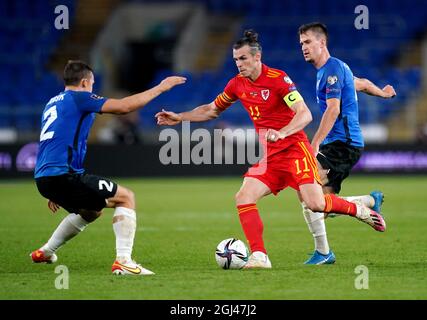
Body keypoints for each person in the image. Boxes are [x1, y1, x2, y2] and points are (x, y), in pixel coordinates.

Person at [156, 30, 386, 268]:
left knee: (316, 204)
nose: (239, 64)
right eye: (236, 59)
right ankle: (259, 256)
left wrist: (284, 132)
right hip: (272, 158)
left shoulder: (278, 79)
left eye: (243, 58)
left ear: (257, 57)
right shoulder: (236, 85)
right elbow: (211, 110)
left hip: (296, 150)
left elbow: (304, 113)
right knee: (243, 196)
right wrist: (179, 117)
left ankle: (360, 210)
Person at [31, 60, 186, 275]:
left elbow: (54, 141)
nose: (93, 88)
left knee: (92, 211)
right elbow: (124, 107)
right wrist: (162, 87)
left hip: (46, 176)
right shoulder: (80, 98)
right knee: (126, 197)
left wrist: (54, 184)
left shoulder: (52, 103)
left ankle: (46, 251)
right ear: (85, 82)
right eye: (93, 83)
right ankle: (124, 261)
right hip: (62, 175)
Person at [298, 22, 397, 219]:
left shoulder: (332, 69)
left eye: (308, 42)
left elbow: (333, 109)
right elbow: (362, 84)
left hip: (343, 143)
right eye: (301, 44)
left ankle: (324, 251)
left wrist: (315, 142)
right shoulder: (331, 70)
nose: (304, 47)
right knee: (321, 207)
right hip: (341, 143)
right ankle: (369, 201)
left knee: (306, 187)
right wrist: (384, 94)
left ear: (322, 42)